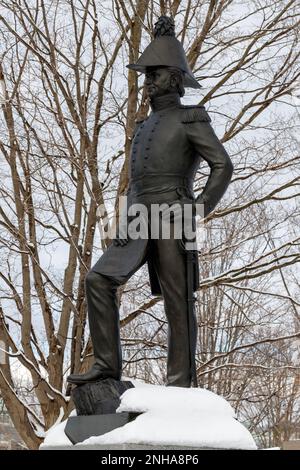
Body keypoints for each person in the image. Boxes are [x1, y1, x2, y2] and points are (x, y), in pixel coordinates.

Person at [67, 16, 233, 388]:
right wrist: (123, 222)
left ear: (174, 78)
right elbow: (136, 183)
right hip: (138, 217)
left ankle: (179, 386)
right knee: (98, 279)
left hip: (176, 215)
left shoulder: (191, 117)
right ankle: (107, 366)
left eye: (154, 75)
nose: (147, 84)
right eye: (145, 76)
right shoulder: (142, 127)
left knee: (178, 301)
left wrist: (197, 210)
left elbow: (222, 166)